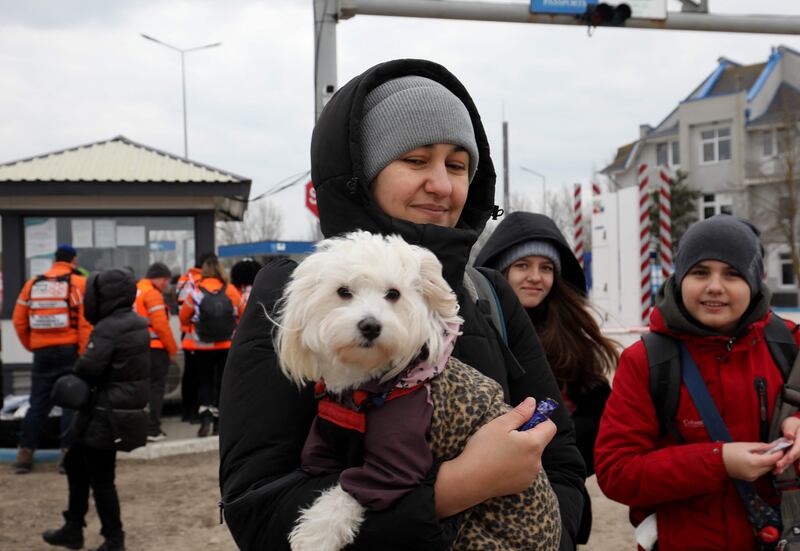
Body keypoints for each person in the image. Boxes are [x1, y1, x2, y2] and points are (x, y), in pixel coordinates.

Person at [219, 59, 586, 550]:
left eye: (457, 166)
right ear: (361, 174)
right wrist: (458, 488)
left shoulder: (490, 293)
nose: (442, 184)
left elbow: (561, 462)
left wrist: (544, 534)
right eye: (416, 160)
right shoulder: (293, 292)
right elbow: (256, 508)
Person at [594, 215, 800, 551]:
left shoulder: (790, 345)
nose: (715, 286)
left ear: (754, 281)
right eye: (700, 272)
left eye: (732, 274)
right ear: (680, 278)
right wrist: (718, 460)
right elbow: (617, 472)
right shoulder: (646, 360)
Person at [475, 210, 618, 544]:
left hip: (556, 491)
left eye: (546, 267)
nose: (535, 277)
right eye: (523, 265)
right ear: (501, 270)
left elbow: (600, 420)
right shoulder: (476, 329)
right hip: (484, 486)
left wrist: (552, 448)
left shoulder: (572, 336)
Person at [42, 268, 149, 551]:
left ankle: (114, 539)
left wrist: (76, 368)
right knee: (76, 465)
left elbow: (88, 367)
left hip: (105, 414)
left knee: (102, 479)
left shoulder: (108, 328)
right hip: (111, 412)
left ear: (104, 295)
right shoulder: (136, 322)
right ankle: (73, 528)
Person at [12, 244, 92, 474]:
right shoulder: (78, 283)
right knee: (71, 403)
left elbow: (19, 320)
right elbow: (85, 323)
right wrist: (82, 352)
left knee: (37, 403)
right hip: (69, 351)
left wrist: (33, 344)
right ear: (73, 260)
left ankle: (25, 454)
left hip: (42, 353)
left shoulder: (33, 284)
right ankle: (68, 456)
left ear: (54, 260)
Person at [179, 255, 242, 437]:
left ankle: (205, 419)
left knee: (204, 382)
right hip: (225, 344)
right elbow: (242, 313)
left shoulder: (196, 291)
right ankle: (218, 423)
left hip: (202, 346)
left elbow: (184, 317)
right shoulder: (230, 290)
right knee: (221, 383)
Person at [134, 262, 178, 442]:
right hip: (154, 348)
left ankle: (138, 427)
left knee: (140, 388)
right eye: (165, 280)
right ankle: (152, 429)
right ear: (159, 278)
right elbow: (160, 325)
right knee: (156, 388)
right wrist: (172, 348)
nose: (165, 284)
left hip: (136, 347)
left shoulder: (135, 291)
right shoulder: (152, 294)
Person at [176, 254, 211, 423]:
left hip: (186, 333)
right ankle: (198, 412)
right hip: (199, 334)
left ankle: (186, 411)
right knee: (201, 375)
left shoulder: (183, 280)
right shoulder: (200, 282)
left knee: (188, 375)